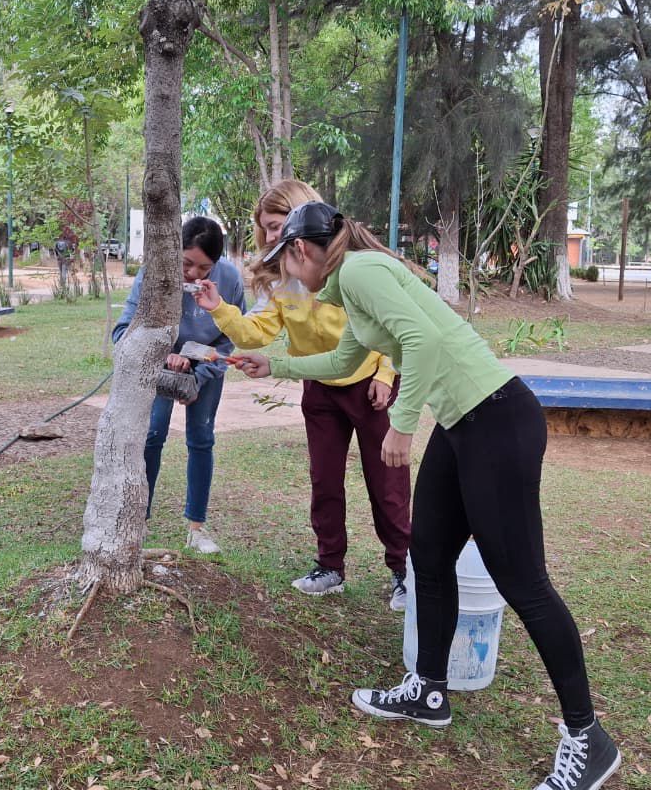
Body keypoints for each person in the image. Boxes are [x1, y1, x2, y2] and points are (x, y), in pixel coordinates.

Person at [233, 201, 621, 790]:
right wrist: (273, 364)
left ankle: (588, 739)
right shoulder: (346, 282)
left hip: (496, 420)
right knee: (429, 558)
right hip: (464, 424)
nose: (286, 274)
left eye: (284, 259)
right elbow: (346, 358)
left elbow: (419, 342)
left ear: (301, 251)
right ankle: (429, 690)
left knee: (524, 583)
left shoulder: (359, 271)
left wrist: (402, 422)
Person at [191, 180, 411, 610]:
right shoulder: (279, 281)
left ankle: (405, 570)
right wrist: (219, 307)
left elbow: (391, 325)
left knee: (387, 483)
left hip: (371, 384)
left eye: (277, 225)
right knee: (324, 480)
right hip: (319, 386)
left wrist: (386, 373)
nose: (271, 237)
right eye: (265, 229)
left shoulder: (349, 268)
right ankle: (330, 566)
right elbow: (256, 332)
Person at [112, 217, 245, 553]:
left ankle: (196, 528)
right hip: (159, 366)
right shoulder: (153, 274)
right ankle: (139, 522)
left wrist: (197, 371)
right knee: (153, 434)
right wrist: (161, 356)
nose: (194, 275)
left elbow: (232, 338)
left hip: (206, 365)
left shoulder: (229, 278)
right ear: (175, 253)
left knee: (201, 438)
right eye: (186, 264)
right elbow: (122, 333)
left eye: (204, 268)